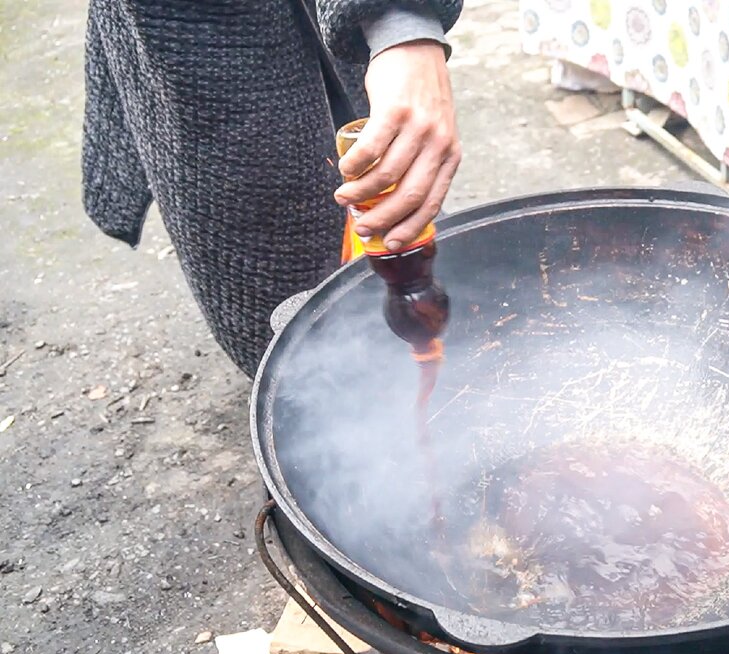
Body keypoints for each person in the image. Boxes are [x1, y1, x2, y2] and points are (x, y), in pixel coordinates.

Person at [82, 0, 464, 377]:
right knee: (271, 255)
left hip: (345, 23)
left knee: (383, 161)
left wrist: (400, 24)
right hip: (199, 32)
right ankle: (309, 390)